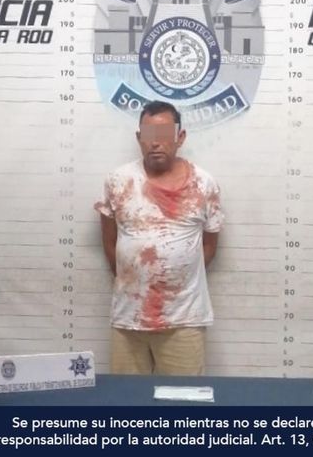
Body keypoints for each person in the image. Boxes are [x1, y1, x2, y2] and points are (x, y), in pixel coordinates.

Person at [95, 101, 224, 375]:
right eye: (149, 135)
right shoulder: (117, 181)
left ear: (180, 137)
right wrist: (136, 278)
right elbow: (109, 242)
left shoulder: (204, 184)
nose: (156, 143)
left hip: (184, 319)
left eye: (164, 135)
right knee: (127, 398)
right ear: (139, 138)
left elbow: (209, 246)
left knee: (182, 397)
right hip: (129, 318)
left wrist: (175, 279)